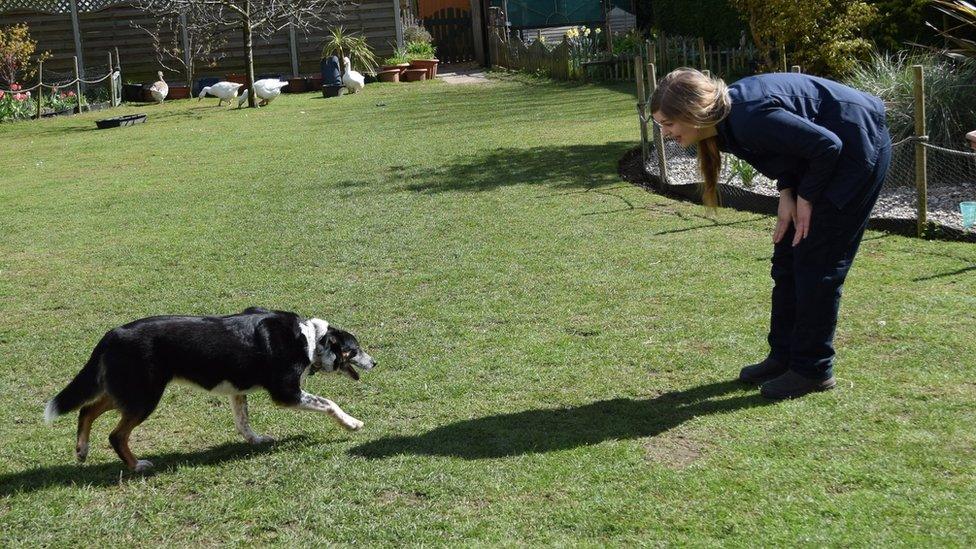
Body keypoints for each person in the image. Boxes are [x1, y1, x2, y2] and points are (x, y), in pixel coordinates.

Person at [650, 68, 891, 399]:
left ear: (694, 112)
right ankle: (783, 358)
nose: (665, 133)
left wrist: (805, 198)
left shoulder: (748, 117)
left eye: (668, 124)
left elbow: (827, 145)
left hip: (857, 153)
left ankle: (813, 369)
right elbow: (790, 150)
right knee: (787, 257)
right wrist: (787, 192)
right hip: (823, 161)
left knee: (816, 263)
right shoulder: (723, 124)